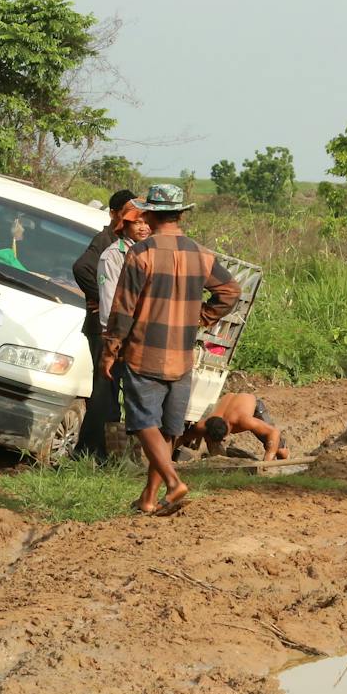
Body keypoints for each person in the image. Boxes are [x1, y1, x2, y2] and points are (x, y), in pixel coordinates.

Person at [101, 183, 240, 516]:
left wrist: (110, 348)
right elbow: (230, 292)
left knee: (142, 422)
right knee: (166, 430)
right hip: (182, 357)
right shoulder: (202, 255)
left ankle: (174, 482)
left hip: (144, 352)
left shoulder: (141, 253)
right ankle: (149, 498)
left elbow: (123, 308)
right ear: (180, 215)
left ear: (150, 215)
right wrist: (201, 317)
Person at [71, 189, 139, 462]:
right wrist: (101, 298)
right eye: (129, 214)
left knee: (108, 391)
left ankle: (99, 452)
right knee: (105, 390)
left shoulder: (130, 244)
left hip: (113, 326)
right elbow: (81, 268)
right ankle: (89, 452)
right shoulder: (106, 241)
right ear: (114, 214)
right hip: (103, 329)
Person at [179, 392, 288, 461]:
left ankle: (284, 468)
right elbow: (182, 438)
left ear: (226, 434)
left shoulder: (243, 420)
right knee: (215, 449)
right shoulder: (203, 426)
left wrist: (267, 461)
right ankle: (221, 466)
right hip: (230, 400)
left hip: (251, 405)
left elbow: (274, 432)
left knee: (280, 451)